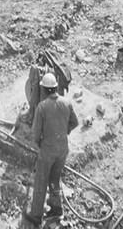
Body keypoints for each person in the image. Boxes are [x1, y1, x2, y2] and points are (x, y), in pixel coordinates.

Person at [24, 72, 78, 225]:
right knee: (54, 179)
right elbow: (75, 122)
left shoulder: (42, 107)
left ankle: (36, 215)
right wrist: (64, 132)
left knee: (41, 180)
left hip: (48, 151)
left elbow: (35, 133)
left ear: (44, 89)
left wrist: (40, 143)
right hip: (63, 150)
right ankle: (56, 209)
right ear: (54, 87)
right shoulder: (67, 103)